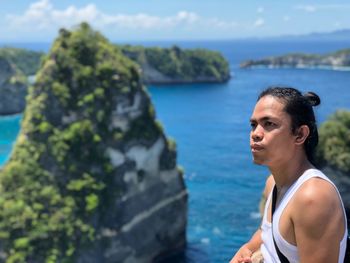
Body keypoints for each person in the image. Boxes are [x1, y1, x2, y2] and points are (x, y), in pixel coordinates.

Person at [230, 87, 348, 263]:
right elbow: (266, 233)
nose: (256, 134)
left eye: (269, 124)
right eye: (254, 125)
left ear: (300, 134)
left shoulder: (313, 198)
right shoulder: (273, 184)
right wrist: (247, 249)